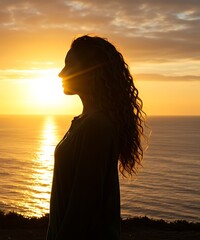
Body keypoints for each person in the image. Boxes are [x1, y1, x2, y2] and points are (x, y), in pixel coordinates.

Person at [47, 35, 145, 240]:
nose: (60, 73)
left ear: (91, 71)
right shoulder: (86, 122)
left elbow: (82, 208)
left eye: (69, 65)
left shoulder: (96, 126)